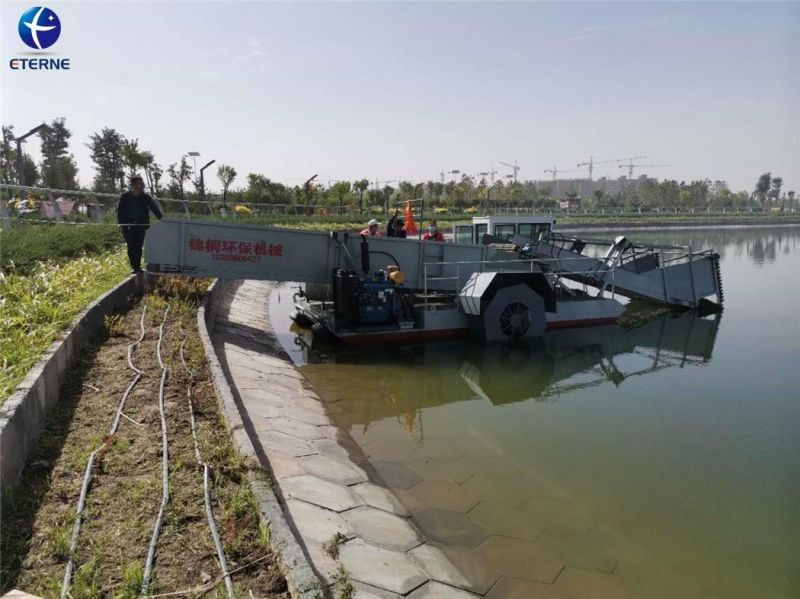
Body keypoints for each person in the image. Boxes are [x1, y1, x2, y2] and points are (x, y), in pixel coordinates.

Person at [117, 175, 163, 273]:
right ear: (133, 185)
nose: (142, 185)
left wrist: (162, 219)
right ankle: (134, 267)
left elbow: (154, 208)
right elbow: (120, 212)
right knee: (131, 246)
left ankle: (137, 267)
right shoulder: (125, 197)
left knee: (138, 246)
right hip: (128, 226)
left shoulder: (145, 197)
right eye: (139, 183)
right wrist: (121, 224)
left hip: (141, 225)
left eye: (142, 183)